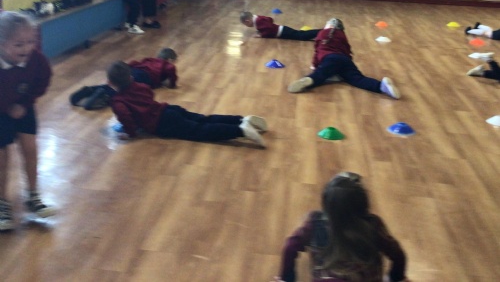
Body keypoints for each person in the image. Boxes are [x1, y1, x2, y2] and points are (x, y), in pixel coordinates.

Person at [272, 172, 408, 282]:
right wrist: (396, 277)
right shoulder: (373, 226)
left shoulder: (315, 223)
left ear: (326, 203)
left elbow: (290, 247)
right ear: (364, 205)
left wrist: (287, 278)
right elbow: (398, 254)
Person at [107, 61, 267, 147]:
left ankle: (240, 130)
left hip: (162, 124)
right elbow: (149, 93)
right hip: (168, 109)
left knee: (200, 130)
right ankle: (241, 119)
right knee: (204, 119)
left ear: (111, 83)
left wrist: (130, 133)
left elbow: (126, 116)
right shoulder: (140, 85)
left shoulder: (118, 101)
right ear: (130, 76)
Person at [0, 11, 55, 231]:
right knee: (1, 159)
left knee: (30, 149)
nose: (27, 49)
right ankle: (2, 203)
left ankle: (33, 196)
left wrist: (24, 104)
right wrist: (7, 108)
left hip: (23, 107)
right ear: (2, 44)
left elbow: (43, 80)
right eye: (19, 44)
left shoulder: (36, 61)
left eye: (31, 42)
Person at [287, 18, 400, 99]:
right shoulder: (342, 35)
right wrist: (348, 62)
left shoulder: (322, 33)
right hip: (345, 59)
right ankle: (381, 86)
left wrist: (315, 65)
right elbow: (347, 50)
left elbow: (317, 51)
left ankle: (308, 80)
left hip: (329, 58)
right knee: (358, 79)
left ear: (328, 25)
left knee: (320, 74)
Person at [70, 48, 179, 110]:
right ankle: (102, 95)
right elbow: (171, 70)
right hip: (145, 77)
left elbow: (134, 63)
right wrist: (172, 84)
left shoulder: (150, 60)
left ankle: (90, 89)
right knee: (124, 90)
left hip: (133, 71)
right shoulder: (168, 65)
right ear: (169, 59)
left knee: (116, 83)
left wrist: (126, 70)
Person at [240, 11, 321, 40]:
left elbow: (269, 28)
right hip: (283, 29)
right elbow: (270, 19)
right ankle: (319, 32)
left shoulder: (258, 21)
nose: (247, 26)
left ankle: (321, 32)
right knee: (300, 34)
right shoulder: (257, 17)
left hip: (282, 32)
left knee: (301, 36)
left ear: (247, 21)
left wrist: (261, 35)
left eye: (246, 24)